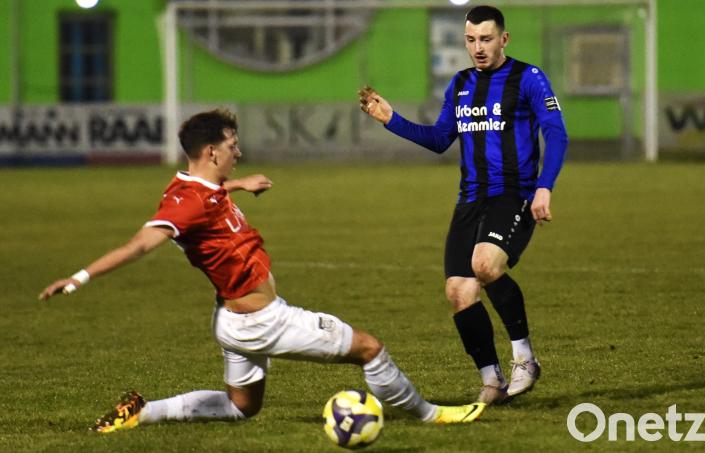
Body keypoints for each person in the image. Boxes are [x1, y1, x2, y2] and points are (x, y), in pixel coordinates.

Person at [38, 109, 485, 433]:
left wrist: (238, 184)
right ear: (212, 151)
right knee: (369, 348)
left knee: (241, 409)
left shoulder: (199, 186)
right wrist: (79, 278)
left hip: (233, 321)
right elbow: (139, 245)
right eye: (233, 148)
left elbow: (208, 195)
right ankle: (432, 414)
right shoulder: (188, 201)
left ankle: (144, 411)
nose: (240, 153)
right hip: (262, 321)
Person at [358, 5, 568, 405]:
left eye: (486, 39)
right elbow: (440, 139)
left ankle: (525, 358)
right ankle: (492, 380)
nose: (478, 48)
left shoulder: (529, 78)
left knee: (485, 265)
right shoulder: (460, 84)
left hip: (514, 193)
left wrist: (544, 187)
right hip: (470, 200)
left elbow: (556, 134)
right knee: (458, 292)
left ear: (504, 39)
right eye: (471, 40)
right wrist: (391, 119)